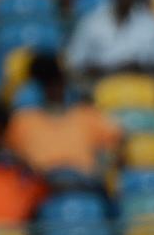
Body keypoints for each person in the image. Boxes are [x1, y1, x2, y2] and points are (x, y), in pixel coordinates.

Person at [6, 54, 121, 184]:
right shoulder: (22, 120)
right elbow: (10, 156)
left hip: (83, 188)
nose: (53, 89)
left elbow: (118, 142)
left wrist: (99, 172)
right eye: (47, 84)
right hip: (41, 190)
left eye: (57, 83)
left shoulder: (86, 114)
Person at [65, 0, 154, 79]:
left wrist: (141, 67)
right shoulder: (91, 22)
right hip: (100, 86)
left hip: (141, 85)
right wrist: (113, 70)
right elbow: (75, 62)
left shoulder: (151, 23)